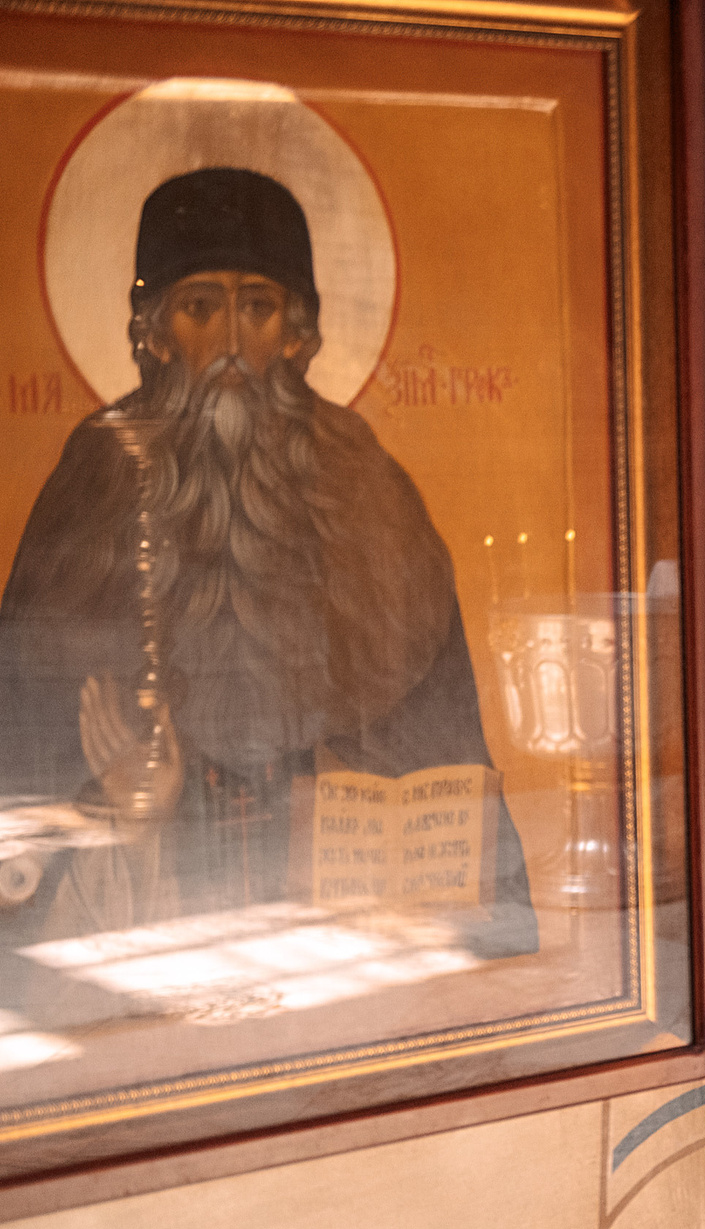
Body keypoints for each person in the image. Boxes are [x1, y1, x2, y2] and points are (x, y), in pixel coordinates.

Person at [2, 166, 535, 958]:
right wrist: (121, 813)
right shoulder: (97, 474)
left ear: (296, 332)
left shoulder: (362, 480)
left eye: (256, 306)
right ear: (154, 330)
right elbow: (27, 753)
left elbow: (433, 743)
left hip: (347, 924)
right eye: (198, 307)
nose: (226, 344)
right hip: (143, 932)